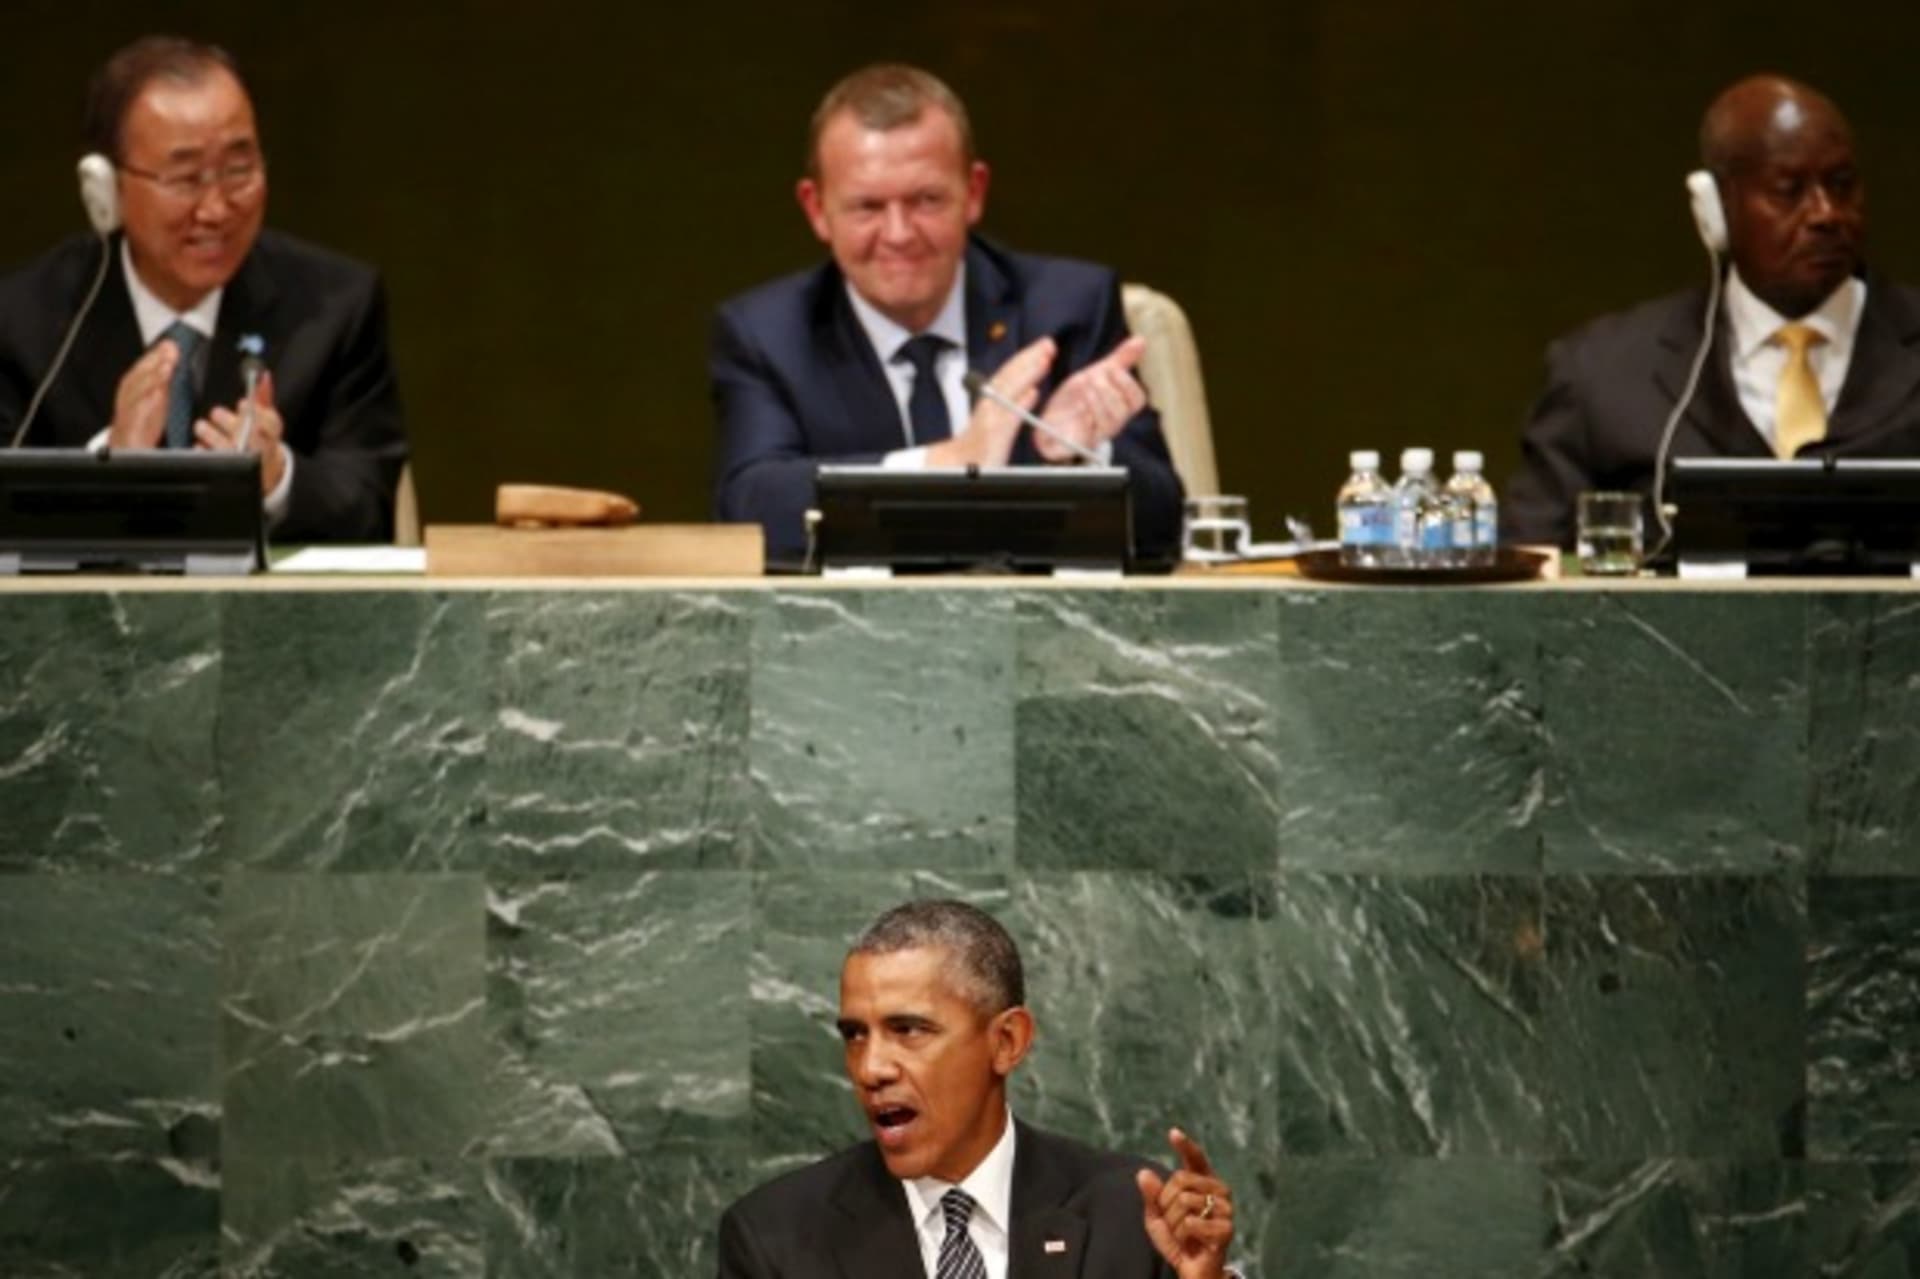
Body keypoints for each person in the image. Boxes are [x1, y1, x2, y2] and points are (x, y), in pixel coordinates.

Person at [710, 64, 1184, 562]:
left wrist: (1079, 457)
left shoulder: (1066, 307)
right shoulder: (768, 334)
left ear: (973, 192)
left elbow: (1164, 519)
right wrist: (948, 462)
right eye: (868, 207)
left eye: (926, 200)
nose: (898, 234)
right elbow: (749, 507)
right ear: (816, 209)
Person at [0, 35, 408, 543]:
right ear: (106, 189)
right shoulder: (22, 320)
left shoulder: (336, 306)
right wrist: (108, 464)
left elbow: (372, 502)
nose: (215, 210)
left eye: (239, 171)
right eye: (185, 178)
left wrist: (276, 476)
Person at [716, 899, 1238, 1279]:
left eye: (908, 1030)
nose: (871, 1067)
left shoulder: (1131, 1222)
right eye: (855, 1035)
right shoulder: (774, 1240)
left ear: (1007, 1041)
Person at [1503, 74, 1920, 547]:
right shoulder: (1602, 374)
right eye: (1789, 190)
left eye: (1841, 185)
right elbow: (1532, 574)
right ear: (1716, 209)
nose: (1826, 213)